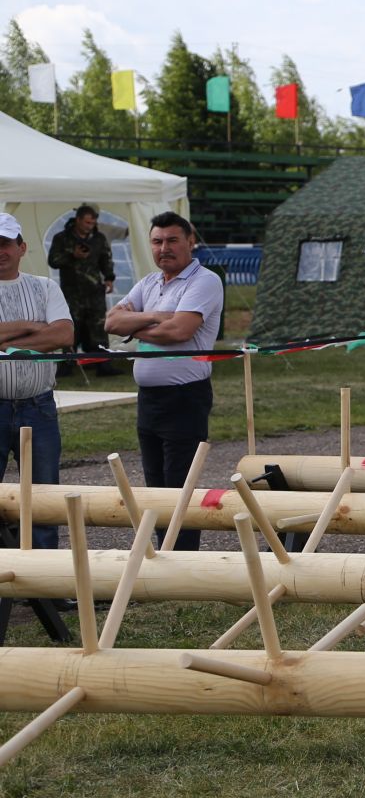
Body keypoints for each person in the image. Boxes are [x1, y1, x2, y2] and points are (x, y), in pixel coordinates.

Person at [106, 212, 222, 552]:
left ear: (190, 241)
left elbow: (180, 331)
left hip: (185, 398)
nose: (164, 248)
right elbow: (112, 322)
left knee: (179, 485)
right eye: (157, 241)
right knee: (154, 483)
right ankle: (163, 554)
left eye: (172, 240)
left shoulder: (205, 281)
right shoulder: (149, 283)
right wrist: (157, 316)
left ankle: (183, 560)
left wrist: (136, 327)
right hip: (149, 399)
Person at [0, 211, 74, 564]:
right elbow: (51, 333)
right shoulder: (43, 296)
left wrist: (7, 335)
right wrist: (30, 326)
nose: (0, 250)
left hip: (39, 406)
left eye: (5, 243)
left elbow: (64, 334)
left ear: (21, 247)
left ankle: (48, 581)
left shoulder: (45, 286)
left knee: (44, 494)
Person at [46, 204, 117, 376]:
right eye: (87, 222)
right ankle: (67, 365)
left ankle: (103, 365)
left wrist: (109, 277)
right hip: (73, 292)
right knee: (71, 328)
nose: (89, 226)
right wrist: (72, 255)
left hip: (95, 292)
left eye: (92, 223)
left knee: (99, 329)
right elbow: (53, 260)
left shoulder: (98, 238)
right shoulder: (62, 238)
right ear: (78, 220)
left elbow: (105, 259)